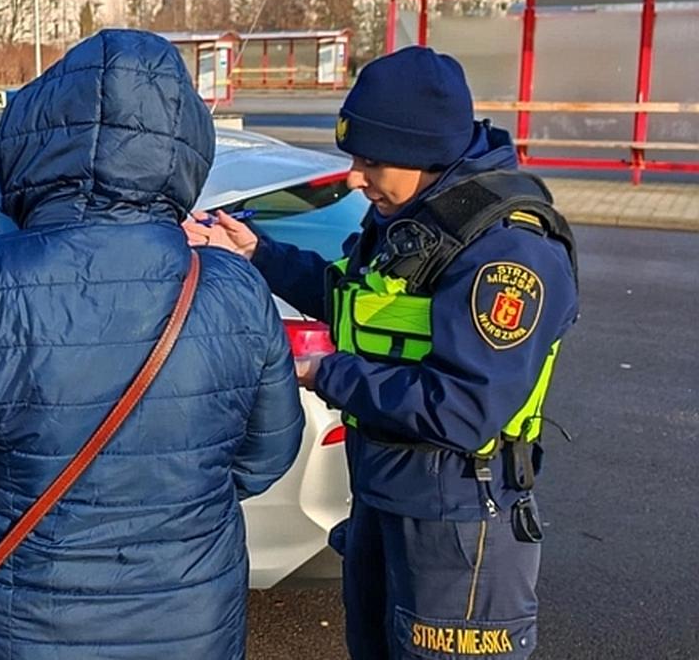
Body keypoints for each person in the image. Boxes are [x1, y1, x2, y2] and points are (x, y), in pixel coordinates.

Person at [0, 29, 306, 659]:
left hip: (19, 622)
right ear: (184, 144)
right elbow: (266, 458)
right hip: (190, 619)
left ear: (33, 140)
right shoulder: (233, 287)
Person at [185, 46, 578, 659]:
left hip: (456, 520)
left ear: (426, 153)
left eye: (371, 162)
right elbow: (360, 306)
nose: (353, 178)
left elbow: (465, 408)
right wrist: (259, 255)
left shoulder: (505, 256)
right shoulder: (416, 217)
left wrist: (324, 372)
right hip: (383, 496)